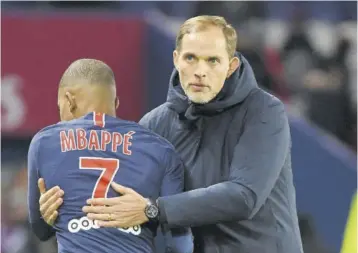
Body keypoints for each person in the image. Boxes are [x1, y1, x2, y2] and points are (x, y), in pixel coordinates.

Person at [38, 16, 304, 253]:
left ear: (232, 65)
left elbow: (244, 196)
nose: (200, 70)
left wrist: (153, 209)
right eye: (191, 58)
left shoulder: (265, 111)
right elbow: (124, 206)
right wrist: (55, 213)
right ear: (176, 58)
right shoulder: (155, 124)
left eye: (213, 60)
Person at [27, 59, 193, 253]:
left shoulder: (44, 143)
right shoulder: (161, 149)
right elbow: (179, 243)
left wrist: (46, 216)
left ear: (69, 100)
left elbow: (41, 231)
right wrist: (150, 212)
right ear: (115, 102)